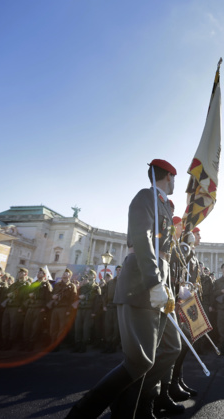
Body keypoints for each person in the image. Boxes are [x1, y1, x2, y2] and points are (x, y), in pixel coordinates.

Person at [67, 159, 177, 419]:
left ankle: (131, 409)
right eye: (175, 178)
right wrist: (154, 281)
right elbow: (142, 238)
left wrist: (169, 285)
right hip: (142, 281)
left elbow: (164, 251)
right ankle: (83, 413)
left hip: (160, 280)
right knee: (140, 360)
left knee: (162, 351)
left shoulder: (164, 204)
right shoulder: (145, 196)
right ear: (169, 177)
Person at [73, 270, 102, 353]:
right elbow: (77, 295)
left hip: (89, 309)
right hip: (81, 308)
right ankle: (77, 344)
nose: (89, 276)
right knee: (78, 327)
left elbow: (98, 300)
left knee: (86, 328)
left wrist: (94, 312)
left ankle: (84, 345)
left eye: (91, 275)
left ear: (94, 276)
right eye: (89, 274)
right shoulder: (83, 286)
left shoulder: (96, 286)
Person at [49, 268, 77, 351]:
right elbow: (52, 293)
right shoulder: (57, 285)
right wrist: (53, 296)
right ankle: (52, 343)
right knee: (53, 327)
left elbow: (73, 300)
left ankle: (57, 345)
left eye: (67, 273)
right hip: (56, 308)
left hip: (64, 309)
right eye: (64, 273)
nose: (64, 274)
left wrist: (69, 310)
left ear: (70, 276)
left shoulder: (72, 286)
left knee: (62, 328)